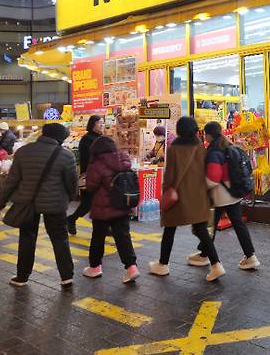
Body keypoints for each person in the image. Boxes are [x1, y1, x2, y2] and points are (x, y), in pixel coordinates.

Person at [0, 123, 77, 289]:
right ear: (59, 138)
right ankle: (67, 277)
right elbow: (72, 185)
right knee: (60, 239)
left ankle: (22, 277)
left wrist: (0, 203)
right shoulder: (66, 155)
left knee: (27, 239)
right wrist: (68, 198)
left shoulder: (24, 152)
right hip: (55, 204)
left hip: (27, 203)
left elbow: (12, 181)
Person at [149, 117, 225, 282]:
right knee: (201, 230)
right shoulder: (200, 146)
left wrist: (166, 190)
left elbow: (170, 175)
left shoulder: (174, 147)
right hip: (198, 195)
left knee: (169, 229)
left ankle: (162, 264)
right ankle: (216, 264)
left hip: (179, 196)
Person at [189, 121, 260, 271]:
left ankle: (205, 256)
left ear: (208, 135)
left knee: (208, 227)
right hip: (233, 193)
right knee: (237, 225)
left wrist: (201, 186)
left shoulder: (214, 151)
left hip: (220, 196)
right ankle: (251, 256)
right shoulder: (228, 145)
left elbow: (214, 177)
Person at [82, 136, 140, 284]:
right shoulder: (124, 159)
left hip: (103, 208)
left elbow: (91, 187)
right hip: (122, 204)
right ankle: (132, 267)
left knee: (98, 238)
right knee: (123, 237)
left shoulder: (97, 164)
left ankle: (95, 267)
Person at [67, 115, 104, 235]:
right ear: (93, 124)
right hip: (89, 177)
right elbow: (89, 158)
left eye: (103, 123)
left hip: (101, 176)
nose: (102, 125)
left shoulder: (101, 138)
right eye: (100, 123)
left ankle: (102, 228)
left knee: (100, 203)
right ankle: (71, 219)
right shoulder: (87, 139)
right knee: (87, 204)